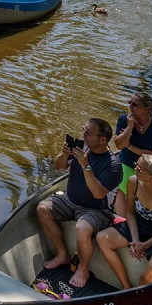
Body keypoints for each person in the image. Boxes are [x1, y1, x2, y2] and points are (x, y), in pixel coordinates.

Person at [36, 118, 123, 288]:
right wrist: (64, 155)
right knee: (42, 209)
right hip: (70, 200)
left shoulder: (113, 166)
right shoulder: (81, 148)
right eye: (84, 130)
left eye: (88, 133)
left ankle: (83, 269)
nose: (83, 134)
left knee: (82, 228)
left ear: (102, 140)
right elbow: (59, 167)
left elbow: (98, 193)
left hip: (96, 209)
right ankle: (62, 254)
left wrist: (86, 165)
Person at [95, 154, 152, 289]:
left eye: (140, 169)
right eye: (136, 165)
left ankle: (138, 295)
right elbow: (130, 212)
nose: (135, 169)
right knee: (102, 238)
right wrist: (135, 240)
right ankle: (126, 286)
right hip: (139, 225)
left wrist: (145, 245)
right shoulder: (133, 181)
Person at [112, 93, 152, 214]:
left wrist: (131, 147)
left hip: (149, 166)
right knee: (121, 187)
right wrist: (129, 128)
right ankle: (122, 219)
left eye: (135, 104)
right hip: (126, 161)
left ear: (147, 109)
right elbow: (119, 145)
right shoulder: (124, 120)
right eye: (129, 103)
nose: (130, 106)